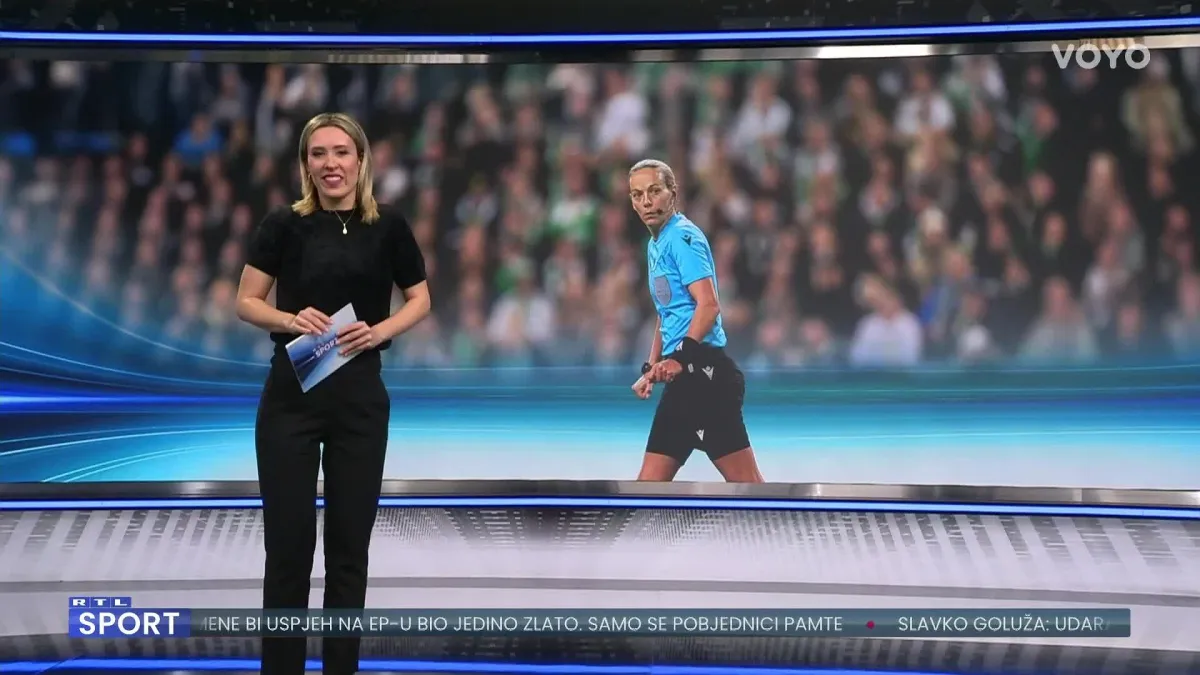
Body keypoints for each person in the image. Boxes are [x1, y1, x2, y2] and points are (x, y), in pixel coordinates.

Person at [234, 112, 431, 675]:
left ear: (361, 159)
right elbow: (246, 300)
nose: (330, 164)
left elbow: (420, 299)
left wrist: (380, 331)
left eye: (341, 152)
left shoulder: (388, 226)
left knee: (348, 554)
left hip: (359, 403)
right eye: (318, 154)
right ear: (306, 164)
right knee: (288, 551)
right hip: (290, 402)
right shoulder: (284, 223)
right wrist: (290, 319)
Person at [627, 159, 765, 483]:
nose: (646, 201)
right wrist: (651, 367)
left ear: (672, 194)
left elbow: (709, 305)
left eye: (654, 191)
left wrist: (680, 358)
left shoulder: (683, 237)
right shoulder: (655, 244)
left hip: (705, 377)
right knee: (648, 487)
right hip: (684, 379)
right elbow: (667, 313)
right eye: (637, 194)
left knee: (748, 488)